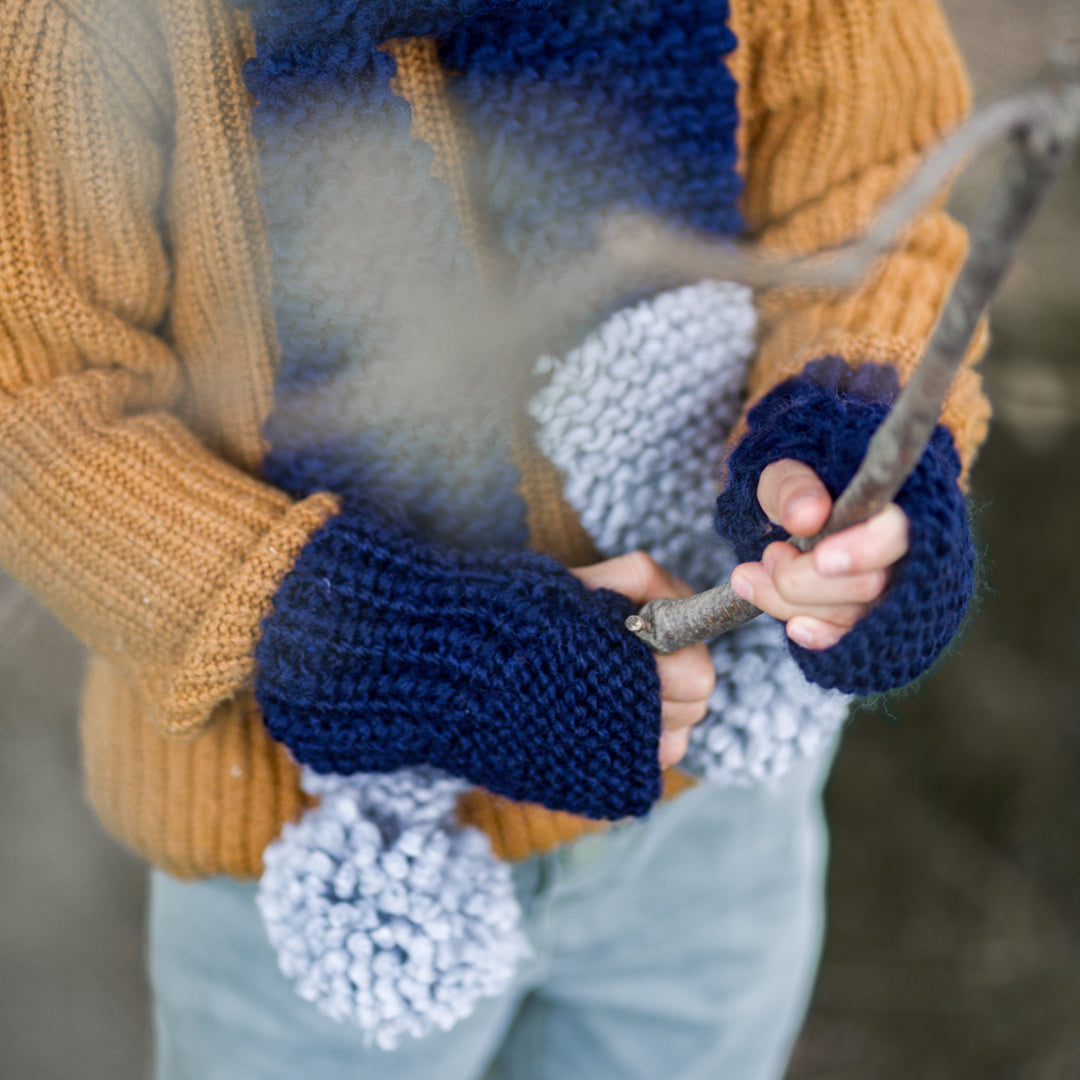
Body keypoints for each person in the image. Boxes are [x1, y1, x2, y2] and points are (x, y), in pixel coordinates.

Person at [0, 0, 990, 1076]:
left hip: (710, 805)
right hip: (313, 856)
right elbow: (43, 402)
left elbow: (865, 197)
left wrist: (855, 442)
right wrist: (393, 648)